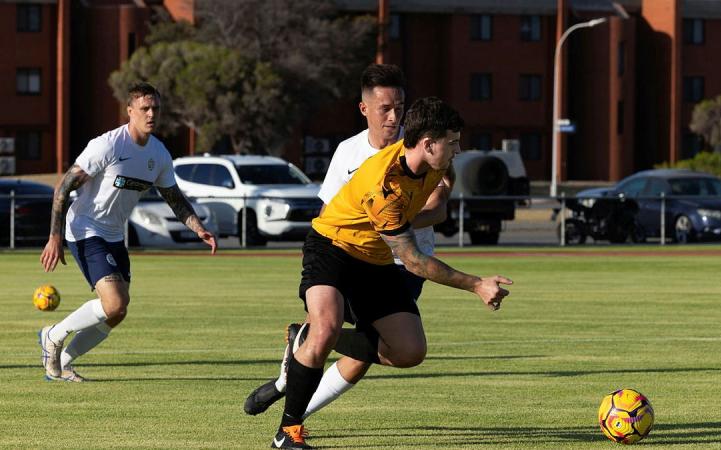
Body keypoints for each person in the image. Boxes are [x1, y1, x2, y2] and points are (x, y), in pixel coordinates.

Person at [257, 96, 512, 449]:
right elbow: (414, 261)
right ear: (428, 144)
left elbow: (436, 208)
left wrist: (433, 206)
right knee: (327, 327)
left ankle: (303, 335)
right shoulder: (385, 186)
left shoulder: (437, 164)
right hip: (332, 247)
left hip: (374, 258)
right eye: (452, 142)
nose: (458, 149)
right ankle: (288, 433)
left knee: (410, 351)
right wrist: (476, 285)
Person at [244, 63, 453, 419]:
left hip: (403, 264)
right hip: (351, 259)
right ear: (365, 109)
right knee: (335, 336)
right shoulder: (348, 152)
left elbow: (439, 207)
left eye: (399, 107)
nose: (394, 116)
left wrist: (390, 222)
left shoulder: (423, 142)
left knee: (360, 355)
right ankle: (294, 401)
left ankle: (295, 396)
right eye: (385, 108)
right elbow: (328, 212)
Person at [38, 81, 217, 382]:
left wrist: (198, 228)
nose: (151, 114)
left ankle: (63, 362)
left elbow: (173, 197)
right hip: (84, 228)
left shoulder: (159, 155)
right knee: (114, 302)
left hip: (113, 235)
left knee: (117, 312)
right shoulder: (108, 145)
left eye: (156, 109)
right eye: (145, 108)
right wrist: (54, 236)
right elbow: (64, 185)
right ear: (130, 111)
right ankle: (53, 335)